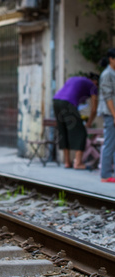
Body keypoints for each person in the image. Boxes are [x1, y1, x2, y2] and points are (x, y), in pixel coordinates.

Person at [53, 73, 98, 169]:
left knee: (63, 129)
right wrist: (89, 123)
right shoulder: (93, 86)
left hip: (56, 101)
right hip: (68, 103)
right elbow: (94, 109)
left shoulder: (75, 79)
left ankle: (67, 162)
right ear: (96, 82)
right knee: (81, 132)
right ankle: (78, 163)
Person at [97, 48, 115, 183]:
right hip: (110, 113)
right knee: (109, 143)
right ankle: (105, 175)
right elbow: (108, 97)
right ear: (111, 59)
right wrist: (114, 115)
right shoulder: (107, 74)